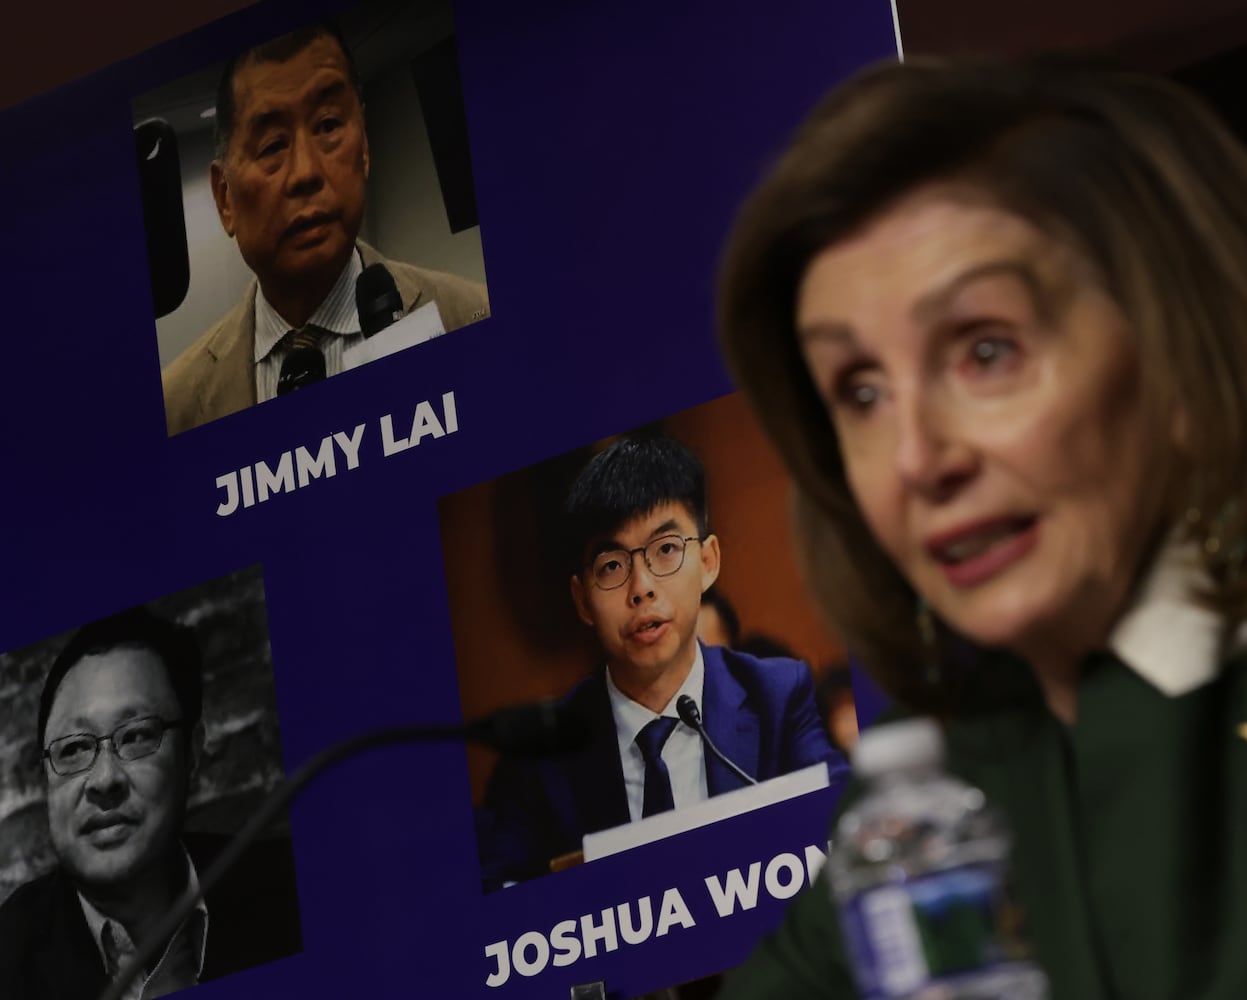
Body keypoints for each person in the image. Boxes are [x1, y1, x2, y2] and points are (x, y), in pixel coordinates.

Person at [712, 55, 1247, 1000]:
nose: (918, 457)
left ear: (1184, 344)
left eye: (985, 350)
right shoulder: (938, 802)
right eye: (862, 392)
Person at [476, 435, 849, 888]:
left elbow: (844, 828)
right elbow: (496, 904)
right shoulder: (541, 757)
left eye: (666, 550)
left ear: (708, 562)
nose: (642, 587)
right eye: (612, 565)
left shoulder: (778, 696)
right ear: (582, 600)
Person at [160, 23, 490, 434]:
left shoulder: (474, 319)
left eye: (329, 125)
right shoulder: (175, 409)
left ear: (364, 147)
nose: (306, 172)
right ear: (224, 195)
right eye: (273, 146)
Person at [0, 607, 301, 999]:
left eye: (137, 736)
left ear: (192, 752)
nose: (104, 779)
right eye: (73, 749)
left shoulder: (287, 891)